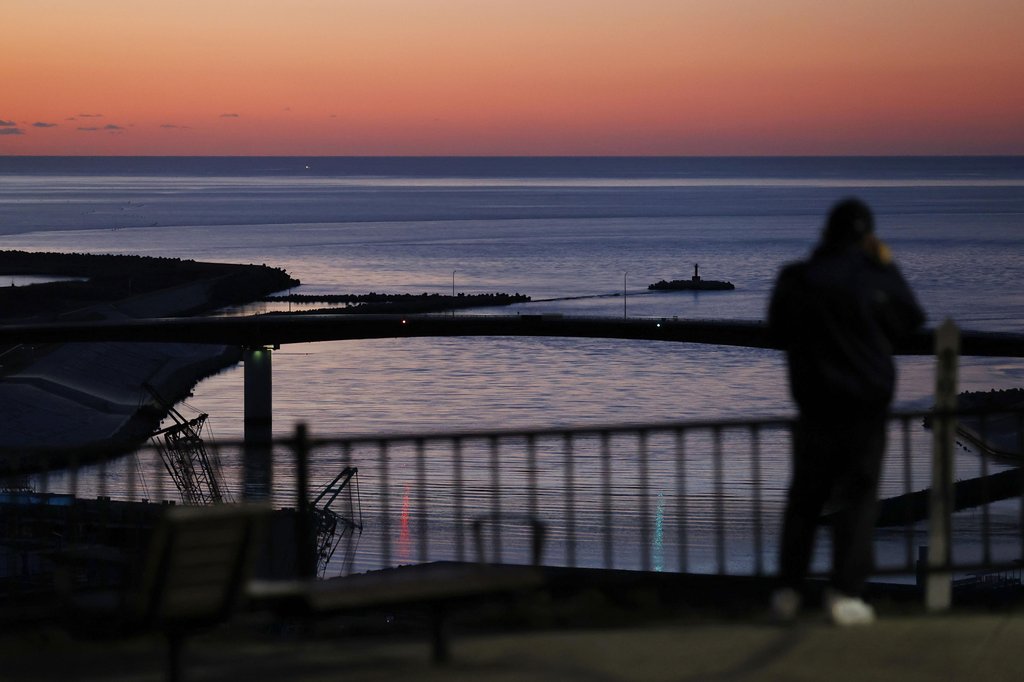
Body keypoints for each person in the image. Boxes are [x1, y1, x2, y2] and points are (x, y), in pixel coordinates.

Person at [767, 198, 925, 625]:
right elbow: (910, 320)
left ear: (825, 233)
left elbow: (777, 325)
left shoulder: (798, 277)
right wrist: (886, 265)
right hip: (864, 409)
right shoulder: (876, 275)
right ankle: (845, 594)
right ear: (867, 237)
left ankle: (788, 592)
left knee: (803, 502)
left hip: (815, 406)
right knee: (856, 504)